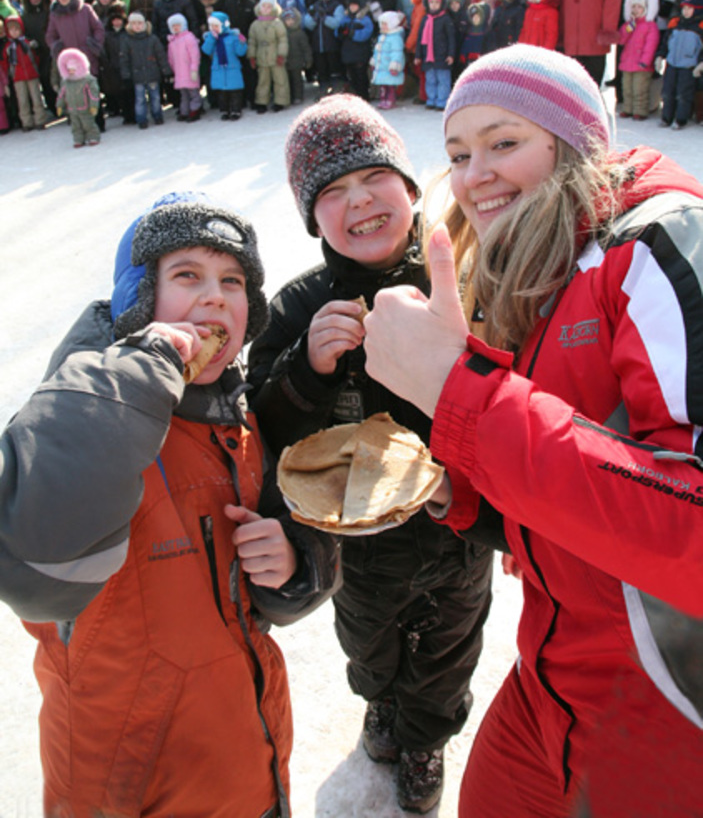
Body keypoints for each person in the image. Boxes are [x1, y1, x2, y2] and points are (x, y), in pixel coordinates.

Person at [363, 43, 703, 818]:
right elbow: (575, 501)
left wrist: (462, 397)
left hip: (667, 711)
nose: (472, 173)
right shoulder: (540, 275)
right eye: (456, 153)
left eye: (502, 142)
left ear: (573, 143)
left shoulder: (660, 247)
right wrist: (464, 490)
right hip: (552, 678)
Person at [2, 191, 338, 816]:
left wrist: (293, 564)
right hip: (129, 787)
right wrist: (138, 375)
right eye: (187, 275)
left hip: (248, 756)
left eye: (233, 281)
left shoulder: (235, 417)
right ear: (137, 300)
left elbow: (271, 568)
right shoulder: (82, 411)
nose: (215, 295)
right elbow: (33, 568)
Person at [247, 95, 496, 815]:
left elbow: (511, 398)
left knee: (447, 649)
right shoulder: (298, 306)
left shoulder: (461, 281)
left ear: (411, 189)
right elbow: (263, 432)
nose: (357, 201)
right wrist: (305, 370)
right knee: (367, 640)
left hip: (455, 530)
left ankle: (423, 739)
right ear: (310, 217)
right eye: (330, 192)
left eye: (372, 178)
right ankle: (381, 707)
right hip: (352, 543)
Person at [657, 0, 703, 129]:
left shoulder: (700, 27)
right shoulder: (675, 23)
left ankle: (681, 119)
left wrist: (700, 64)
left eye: (690, 8)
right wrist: (660, 55)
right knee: (667, 92)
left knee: (684, 94)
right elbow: (666, 42)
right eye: (684, 8)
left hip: (689, 67)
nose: (686, 11)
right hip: (672, 64)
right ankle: (666, 117)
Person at [120, 11, 169, 129]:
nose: (137, 26)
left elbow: (161, 55)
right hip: (137, 76)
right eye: (134, 23)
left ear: (145, 24)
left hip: (152, 73)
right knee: (140, 99)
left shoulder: (152, 39)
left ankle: (157, 115)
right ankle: (141, 119)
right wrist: (125, 74)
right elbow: (124, 59)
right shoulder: (127, 40)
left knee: (155, 97)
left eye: (140, 23)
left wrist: (166, 71)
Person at [617, 0, 659, 120]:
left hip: (641, 64)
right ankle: (628, 108)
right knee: (627, 88)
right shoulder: (629, 25)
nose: (636, 10)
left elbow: (650, 45)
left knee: (639, 89)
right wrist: (629, 28)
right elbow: (621, 40)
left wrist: (646, 61)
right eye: (633, 7)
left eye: (639, 7)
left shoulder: (650, 26)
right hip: (627, 62)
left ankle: (640, 110)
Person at [0, 14, 47, 131]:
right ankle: (26, 122)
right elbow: (5, 63)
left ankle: (40, 120)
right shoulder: (8, 47)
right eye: (11, 30)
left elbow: (36, 57)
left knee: (36, 98)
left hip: (32, 74)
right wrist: (7, 76)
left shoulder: (28, 43)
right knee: (22, 101)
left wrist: (36, 68)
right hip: (17, 77)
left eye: (17, 29)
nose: (14, 32)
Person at [414, 0, 455, 110]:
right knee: (430, 79)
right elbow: (420, 38)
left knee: (443, 80)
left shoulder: (445, 19)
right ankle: (431, 99)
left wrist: (451, 54)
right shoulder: (425, 19)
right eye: (432, 3)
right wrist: (418, 55)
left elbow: (451, 38)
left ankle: (442, 101)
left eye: (437, 3)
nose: (434, 5)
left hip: (442, 55)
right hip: (428, 56)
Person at [201, 11, 247, 121]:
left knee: (235, 92)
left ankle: (236, 110)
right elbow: (206, 50)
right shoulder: (211, 38)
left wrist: (242, 43)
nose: (214, 28)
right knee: (222, 93)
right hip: (219, 70)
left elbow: (240, 52)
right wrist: (211, 38)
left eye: (216, 26)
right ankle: (224, 110)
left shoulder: (233, 37)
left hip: (232, 68)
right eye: (211, 26)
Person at [248, 0, 290, 112]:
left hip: (275, 55)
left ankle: (280, 101)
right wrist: (252, 56)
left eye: (269, 7)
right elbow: (252, 41)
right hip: (261, 56)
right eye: (263, 6)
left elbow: (283, 39)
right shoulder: (255, 25)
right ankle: (261, 102)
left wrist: (281, 54)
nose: (265, 9)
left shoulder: (277, 23)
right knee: (263, 81)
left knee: (280, 79)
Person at [55, 47, 101, 147]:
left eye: (73, 69)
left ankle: (93, 136)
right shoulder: (66, 82)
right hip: (72, 109)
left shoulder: (88, 80)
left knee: (88, 124)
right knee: (76, 126)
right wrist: (59, 105)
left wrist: (94, 106)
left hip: (85, 108)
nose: (71, 72)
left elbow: (93, 94)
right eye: (69, 69)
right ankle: (78, 139)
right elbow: (61, 95)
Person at [337, 0, 374, 101]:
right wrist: (340, 32)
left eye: (355, 5)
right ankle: (356, 96)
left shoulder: (365, 19)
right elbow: (338, 31)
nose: (352, 7)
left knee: (361, 76)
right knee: (352, 76)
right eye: (350, 5)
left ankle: (364, 95)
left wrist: (352, 33)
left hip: (360, 53)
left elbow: (366, 34)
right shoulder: (346, 18)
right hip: (348, 53)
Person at [166, 12, 202, 122]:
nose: (176, 28)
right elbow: (171, 58)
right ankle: (184, 111)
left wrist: (194, 69)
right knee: (183, 94)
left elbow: (194, 55)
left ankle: (195, 109)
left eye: (178, 25)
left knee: (193, 92)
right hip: (179, 73)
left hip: (190, 71)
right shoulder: (172, 42)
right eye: (173, 26)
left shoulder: (189, 38)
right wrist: (172, 71)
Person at [370, 9, 405, 109]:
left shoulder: (395, 38)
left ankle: (390, 100)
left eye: (385, 24)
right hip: (382, 67)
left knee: (390, 86)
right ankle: (383, 99)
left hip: (389, 67)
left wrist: (395, 64)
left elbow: (397, 52)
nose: (383, 27)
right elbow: (377, 51)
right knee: (383, 86)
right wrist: (374, 61)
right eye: (382, 24)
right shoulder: (382, 37)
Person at [281, 7, 312, 105]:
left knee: (297, 80)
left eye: (291, 20)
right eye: (287, 20)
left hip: (297, 61)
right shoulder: (282, 33)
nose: (289, 22)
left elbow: (306, 48)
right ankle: (289, 96)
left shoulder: (300, 33)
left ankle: (298, 96)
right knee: (287, 80)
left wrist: (308, 60)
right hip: (286, 61)